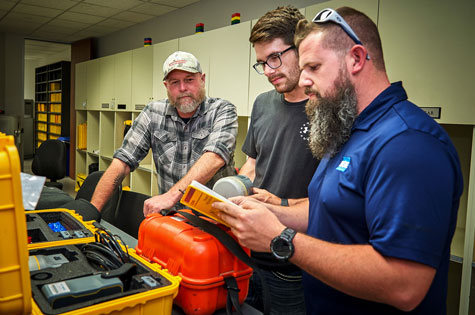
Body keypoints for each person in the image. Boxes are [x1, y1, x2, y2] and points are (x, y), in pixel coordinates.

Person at [214, 7, 463, 314]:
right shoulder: (347, 128)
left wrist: (281, 238)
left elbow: (405, 284)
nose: (304, 81)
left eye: (314, 67)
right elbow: (330, 212)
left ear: (356, 59)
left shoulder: (408, 143)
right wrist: (269, 212)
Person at [238, 5, 319, 314]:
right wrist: (236, 190)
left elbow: (333, 199)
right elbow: (252, 165)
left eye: (275, 58)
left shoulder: (326, 110)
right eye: (262, 63)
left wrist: (279, 205)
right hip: (247, 253)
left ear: (300, 47)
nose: (269, 70)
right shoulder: (262, 104)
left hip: (292, 257)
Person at [91, 51, 237, 216]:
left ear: (202, 79)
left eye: (189, 80)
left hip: (215, 218)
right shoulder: (153, 113)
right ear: (166, 86)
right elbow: (123, 161)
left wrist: (170, 196)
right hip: (170, 218)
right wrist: (92, 211)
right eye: (175, 82)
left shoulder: (222, 110)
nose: (183, 88)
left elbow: (214, 157)